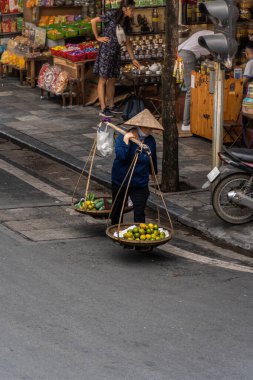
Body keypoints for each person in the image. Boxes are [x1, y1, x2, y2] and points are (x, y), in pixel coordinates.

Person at [110, 110, 163, 225]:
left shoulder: (150, 140)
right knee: (117, 210)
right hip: (121, 179)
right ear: (141, 126)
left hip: (140, 181)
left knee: (139, 211)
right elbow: (121, 156)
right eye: (148, 128)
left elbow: (151, 157)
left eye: (151, 128)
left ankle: (139, 237)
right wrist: (126, 141)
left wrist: (154, 173)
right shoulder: (122, 137)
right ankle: (115, 230)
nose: (150, 130)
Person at [91, 0, 140, 118]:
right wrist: (97, 37)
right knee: (103, 79)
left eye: (133, 9)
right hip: (106, 51)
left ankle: (111, 105)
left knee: (112, 79)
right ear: (125, 8)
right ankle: (103, 108)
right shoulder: (112, 14)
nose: (133, 12)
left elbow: (127, 42)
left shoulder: (127, 22)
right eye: (131, 9)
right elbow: (93, 21)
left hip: (116, 52)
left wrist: (133, 58)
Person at [178, 29, 214, 132]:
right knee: (191, 91)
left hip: (182, 54)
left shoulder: (206, 32)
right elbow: (213, 55)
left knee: (191, 89)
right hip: (187, 57)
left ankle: (189, 121)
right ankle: (186, 124)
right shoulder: (215, 38)